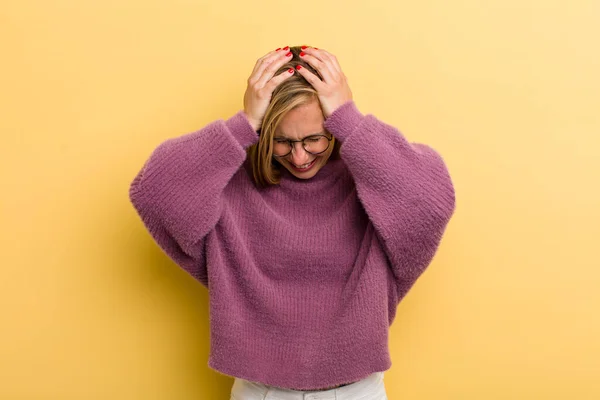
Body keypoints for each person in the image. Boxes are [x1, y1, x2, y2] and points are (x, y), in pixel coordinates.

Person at [129, 45, 456, 400]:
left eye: (314, 138)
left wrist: (349, 119)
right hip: (261, 393)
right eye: (282, 141)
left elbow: (431, 201)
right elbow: (152, 190)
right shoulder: (229, 182)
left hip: (356, 392)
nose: (299, 157)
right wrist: (243, 125)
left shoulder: (369, 181)